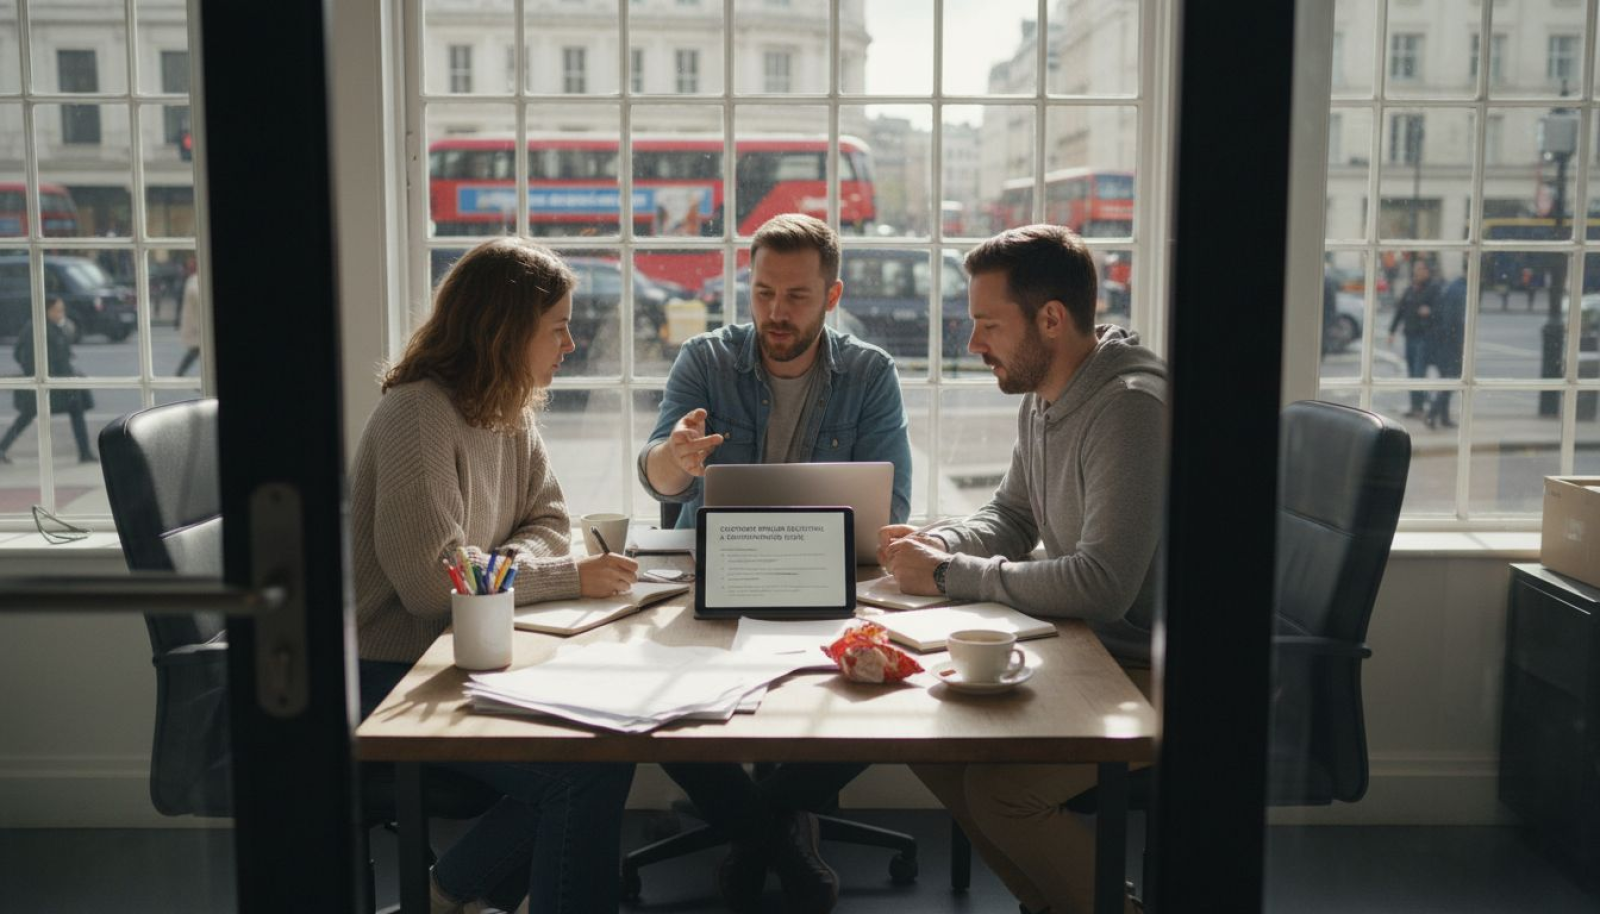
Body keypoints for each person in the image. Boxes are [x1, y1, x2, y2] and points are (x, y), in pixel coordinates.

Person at [879, 224, 1167, 914]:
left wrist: (949, 577)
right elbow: (1011, 516)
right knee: (930, 739)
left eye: (986, 324)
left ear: (1051, 319)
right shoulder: (1048, 391)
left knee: (1003, 791)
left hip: (1155, 669)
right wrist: (936, 542)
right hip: (1097, 652)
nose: (974, 343)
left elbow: (1101, 585)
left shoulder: (1128, 408)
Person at [350, 236, 639, 914]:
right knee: (583, 774)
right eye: (557, 327)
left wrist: (493, 566)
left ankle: (448, 893)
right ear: (504, 334)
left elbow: (548, 518)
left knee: (608, 748)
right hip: (397, 674)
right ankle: (458, 893)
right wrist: (565, 576)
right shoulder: (416, 414)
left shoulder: (506, 405)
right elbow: (430, 585)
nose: (569, 345)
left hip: (472, 653)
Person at [636, 213, 913, 914]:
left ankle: (750, 829)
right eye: (762, 293)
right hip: (717, 578)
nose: (775, 313)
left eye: (795, 296)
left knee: (887, 699)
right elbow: (657, 479)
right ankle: (780, 837)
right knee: (662, 707)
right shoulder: (704, 359)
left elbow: (894, 502)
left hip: (830, 577)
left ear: (832, 295)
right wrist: (674, 460)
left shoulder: (870, 373)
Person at [0, 297, 97, 464]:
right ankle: (84, 453)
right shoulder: (37, 329)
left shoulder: (51, 327)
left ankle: (85, 452)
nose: (62, 314)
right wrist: (43, 376)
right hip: (48, 382)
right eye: (58, 310)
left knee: (75, 409)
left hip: (58, 382)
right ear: (47, 311)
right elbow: (25, 356)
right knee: (27, 416)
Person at [1388, 258, 1440, 419]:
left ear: (1427, 272)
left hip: (1424, 337)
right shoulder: (1410, 289)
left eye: (1420, 269)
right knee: (1411, 372)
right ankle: (1415, 406)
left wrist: (1430, 312)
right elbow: (1400, 311)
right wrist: (1392, 331)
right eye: (1415, 270)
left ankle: (1420, 406)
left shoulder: (1433, 289)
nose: (1416, 273)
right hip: (1409, 336)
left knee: (1418, 372)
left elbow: (1441, 311)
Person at [1426, 265, 1467, 429]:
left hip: (1444, 341)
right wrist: (1460, 344)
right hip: (1451, 343)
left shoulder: (1454, 287)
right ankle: (1433, 414)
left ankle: (1443, 417)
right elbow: (1453, 320)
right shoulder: (1460, 289)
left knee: (1448, 379)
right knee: (1451, 380)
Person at [174, 270, 202, 377]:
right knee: (196, 349)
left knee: (197, 350)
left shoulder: (193, 280)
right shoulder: (195, 280)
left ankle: (180, 373)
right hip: (195, 324)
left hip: (196, 322)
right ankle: (180, 373)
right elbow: (197, 296)